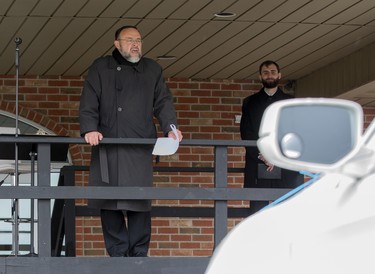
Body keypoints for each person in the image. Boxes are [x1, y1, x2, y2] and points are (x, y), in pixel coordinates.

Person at [79, 25, 183, 257]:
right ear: (117, 44)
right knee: (108, 203)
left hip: (139, 146)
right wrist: (89, 129)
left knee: (140, 203)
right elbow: (89, 101)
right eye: (129, 40)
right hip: (108, 145)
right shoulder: (101, 67)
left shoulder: (152, 69)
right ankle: (118, 256)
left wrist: (171, 128)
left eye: (138, 40)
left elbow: (163, 102)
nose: (135, 44)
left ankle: (138, 257)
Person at [240, 60, 303, 215]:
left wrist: (276, 157)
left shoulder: (290, 102)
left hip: (285, 164)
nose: (270, 75)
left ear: (279, 75)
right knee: (257, 211)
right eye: (266, 72)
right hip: (257, 162)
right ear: (260, 76)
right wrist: (264, 155)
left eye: (273, 72)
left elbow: (294, 132)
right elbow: (246, 134)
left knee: (286, 211)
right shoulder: (250, 102)